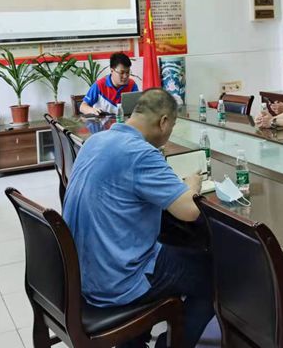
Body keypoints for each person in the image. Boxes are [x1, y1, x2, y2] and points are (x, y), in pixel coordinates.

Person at [63, 88, 213, 348]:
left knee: (174, 242)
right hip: (119, 280)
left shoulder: (95, 141)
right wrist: (192, 184)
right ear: (164, 122)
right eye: (172, 126)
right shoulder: (141, 153)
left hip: (83, 275)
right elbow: (190, 210)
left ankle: (132, 341)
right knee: (215, 274)